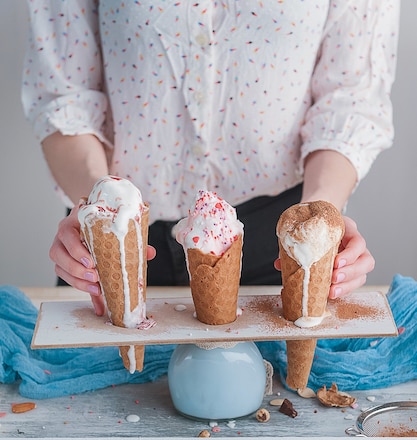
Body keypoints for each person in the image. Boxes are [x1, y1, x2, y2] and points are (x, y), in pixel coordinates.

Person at [22, 1, 399, 317]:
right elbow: (63, 94)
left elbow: (350, 97)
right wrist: (96, 211)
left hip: (284, 248)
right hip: (118, 238)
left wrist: (323, 216)